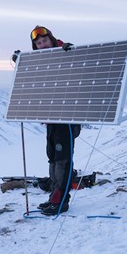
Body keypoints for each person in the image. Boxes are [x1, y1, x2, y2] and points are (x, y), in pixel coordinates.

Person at [30, 25, 81, 216]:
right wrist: (21, 62)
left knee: (63, 160)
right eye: (38, 43)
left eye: (44, 41)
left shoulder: (65, 52)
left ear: (51, 39)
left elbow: (82, 63)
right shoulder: (41, 61)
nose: (42, 45)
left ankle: (61, 201)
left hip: (67, 118)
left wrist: (70, 50)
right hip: (51, 119)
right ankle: (54, 197)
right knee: (52, 157)